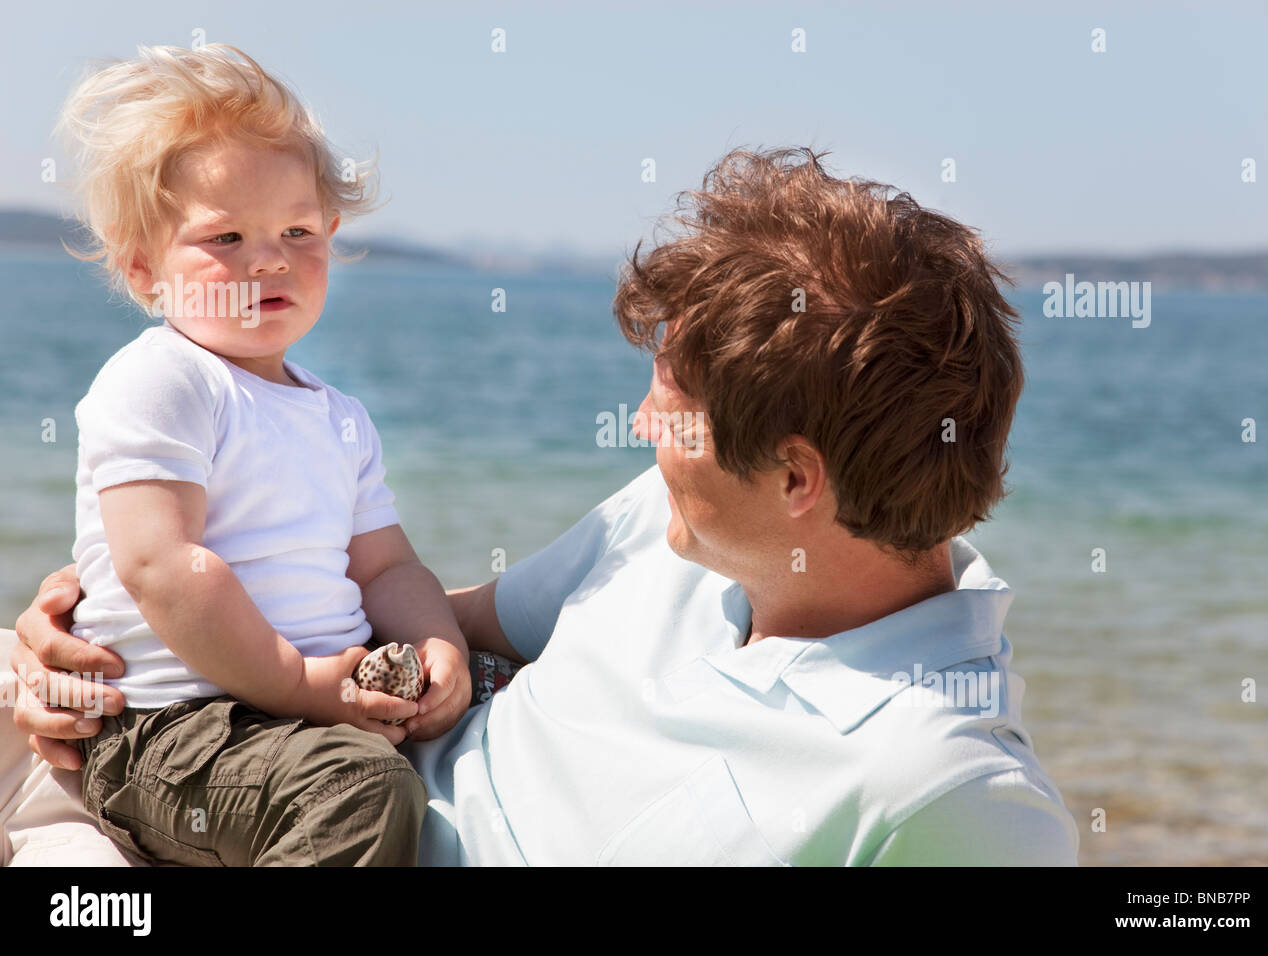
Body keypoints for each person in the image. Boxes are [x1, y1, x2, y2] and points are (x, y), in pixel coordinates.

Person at [6, 145, 1080, 866]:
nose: (642, 423)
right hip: (252, 793)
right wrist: (97, 626)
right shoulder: (661, 534)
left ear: (798, 479)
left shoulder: (945, 786)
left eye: (675, 402)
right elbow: (410, 613)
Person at [10, 43, 476, 866]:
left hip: (287, 722)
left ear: (331, 234)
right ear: (145, 269)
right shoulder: (163, 378)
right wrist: (301, 686)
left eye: (296, 230)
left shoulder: (338, 416)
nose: (267, 258)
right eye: (225, 236)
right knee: (356, 793)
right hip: (168, 728)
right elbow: (163, 565)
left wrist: (444, 649)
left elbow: (386, 569)